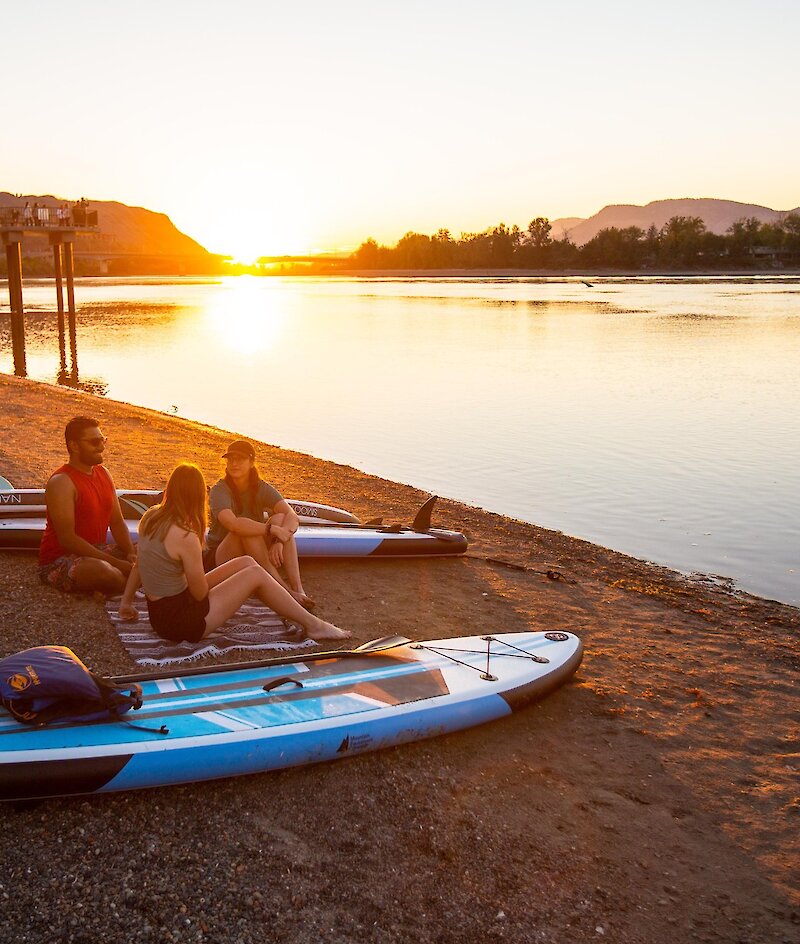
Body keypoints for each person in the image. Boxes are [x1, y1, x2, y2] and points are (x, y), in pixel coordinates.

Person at [119, 463, 349, 643]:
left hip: (160, 615)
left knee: (247, 562)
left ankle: (290, 601)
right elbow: (199, 594)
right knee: (254, 575)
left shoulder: (151, 516)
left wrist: (126, 603)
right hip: (181, 624)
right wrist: (234, 585)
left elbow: (139, 564)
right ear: (199, 496)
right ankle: (314, 625)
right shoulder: (185, 535)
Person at [206, 440, 314, 608]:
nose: (234, 463)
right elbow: (233, 524)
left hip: (251, 551)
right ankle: (284, 592)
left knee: (280, 518)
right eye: (230, 459)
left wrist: (279, 540)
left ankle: (298, 588)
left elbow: (291, 515)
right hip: (221, 556)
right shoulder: (219, 490)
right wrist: (271, 529)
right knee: (246, 529)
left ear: (251, 463)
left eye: (240, 459)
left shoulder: (260, 487)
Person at [39, 416, 136, 594]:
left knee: (152, 548)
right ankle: (134, 582)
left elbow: (116, 521)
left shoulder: (104, 473)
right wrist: (117, 563)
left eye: (102, 440)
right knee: (103, 571)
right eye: (94, 441)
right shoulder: (62, 482)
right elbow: (67, 540)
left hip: (97, 550)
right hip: (60, 560)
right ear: (74, 446)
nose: (101, 446)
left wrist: (130, 553)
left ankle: (133, 579)